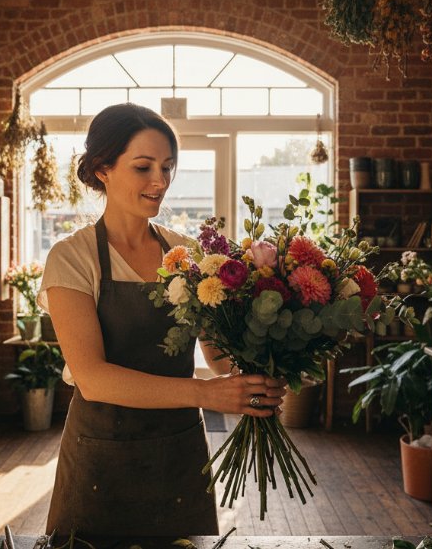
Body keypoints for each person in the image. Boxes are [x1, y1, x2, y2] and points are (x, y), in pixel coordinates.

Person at [39, 103, 287, 536]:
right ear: (102, 169)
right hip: (101, 455)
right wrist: (206, 394)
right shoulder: (72, 257)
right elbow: (92, 377)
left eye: (168, 167)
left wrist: (260, 376)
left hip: (180, 455)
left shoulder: (188, 254)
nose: (160, 181)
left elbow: (219, 358)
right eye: (143, 167)